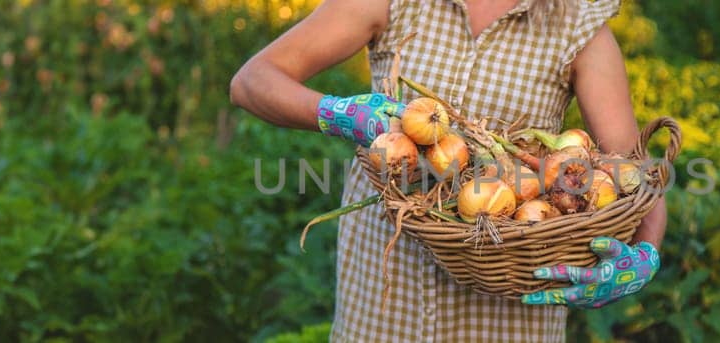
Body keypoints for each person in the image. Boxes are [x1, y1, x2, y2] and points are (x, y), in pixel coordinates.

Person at [229, 0, 665, 340]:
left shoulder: (579, 26)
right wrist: (340, 113)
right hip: (379, 319)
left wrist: (643, 258)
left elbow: (635, 178)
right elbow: (252, 81)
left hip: (507, 328)